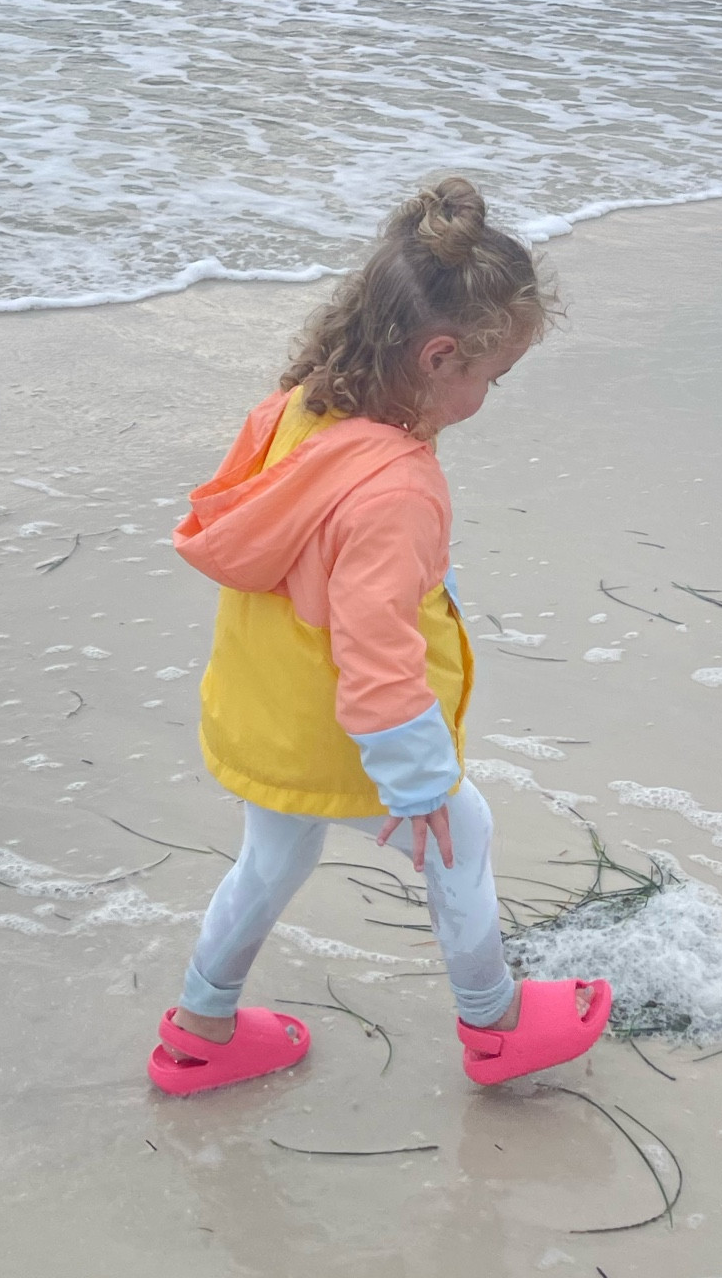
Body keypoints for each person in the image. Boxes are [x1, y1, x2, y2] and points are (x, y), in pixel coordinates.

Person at [148, 176, 611, 1096]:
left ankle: (200, 1030)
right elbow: (376, 648)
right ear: (440, 357)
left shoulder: (292, 413)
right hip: (345, 732)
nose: (490, 392)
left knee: (274, 856)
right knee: (459, 834)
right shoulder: (395, 487)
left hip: (263, 705)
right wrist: (418, 780)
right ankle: (496, 1024)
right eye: (492, 374)